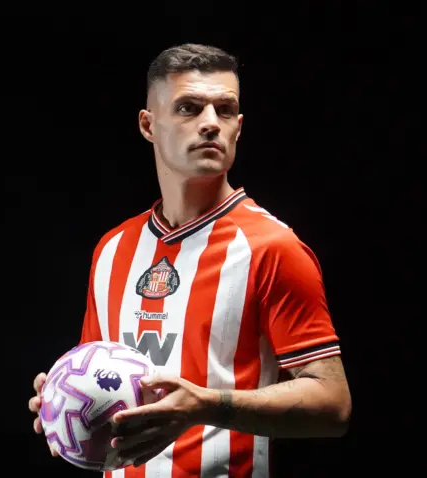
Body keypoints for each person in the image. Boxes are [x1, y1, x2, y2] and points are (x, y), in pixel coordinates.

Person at [28, 43, 351, 477]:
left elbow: (332, 405)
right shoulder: (112, 249)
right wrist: (64, 401)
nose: (211, 123)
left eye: (225, 109)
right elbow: (102, 378)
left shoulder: (272, 247)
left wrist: (202, 406)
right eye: (189, 108)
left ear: (239, 127)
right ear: (148, 125)